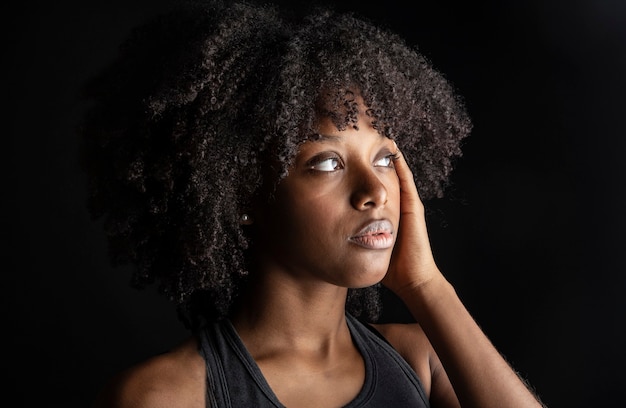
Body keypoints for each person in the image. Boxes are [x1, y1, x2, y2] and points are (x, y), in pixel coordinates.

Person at [80, 0, 545, 406]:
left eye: (384, 157)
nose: (376, 192)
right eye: (326, 164)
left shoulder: (422, 362)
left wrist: (426, 286)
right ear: (241, 193)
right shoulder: (165, 396)